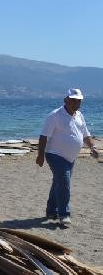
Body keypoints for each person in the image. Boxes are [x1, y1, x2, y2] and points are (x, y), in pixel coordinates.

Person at [35, 88, 98, 225]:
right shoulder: (54, 116)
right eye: (73, 101)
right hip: (55, 155)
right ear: (66, 100)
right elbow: (43, 136)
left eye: (79, 101)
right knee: (64, 183)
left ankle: (51, 211)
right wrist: (40, 155)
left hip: (70, 157)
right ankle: (64, 214)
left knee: (58, 183)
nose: (76, 103)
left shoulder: (79, 115)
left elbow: (85, 134)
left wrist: (92, 147)